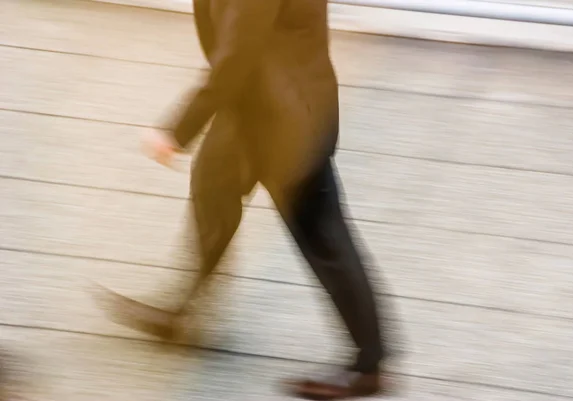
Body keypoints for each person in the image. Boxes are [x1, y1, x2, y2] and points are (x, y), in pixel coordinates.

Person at [100, 0, 388, 398]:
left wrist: (178, 129)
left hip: (289, 119)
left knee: (323, 235)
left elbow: (239, 50)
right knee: (213, 191)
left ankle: (369, 365)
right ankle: (181, 310)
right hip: (252, 106)